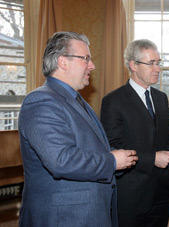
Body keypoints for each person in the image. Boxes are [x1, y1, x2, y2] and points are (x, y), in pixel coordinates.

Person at [18, 31, 138, 227]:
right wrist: (111, 161)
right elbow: (60, 160)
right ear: (63, 62)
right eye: (86, 59)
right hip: (63, 218)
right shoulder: (41, 101)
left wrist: (116, 159)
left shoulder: (78, 100)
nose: (92, 66)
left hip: (87, 214)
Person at [100, 39, 169, 227]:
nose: (157, 68)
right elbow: (114, 147)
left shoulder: (161, 99)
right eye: (150, 63)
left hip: (162, 191)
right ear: (133, 65)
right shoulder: (113, 101)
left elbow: (166, 140)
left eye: (158, 62)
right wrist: (152, 159)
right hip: (132, 195)